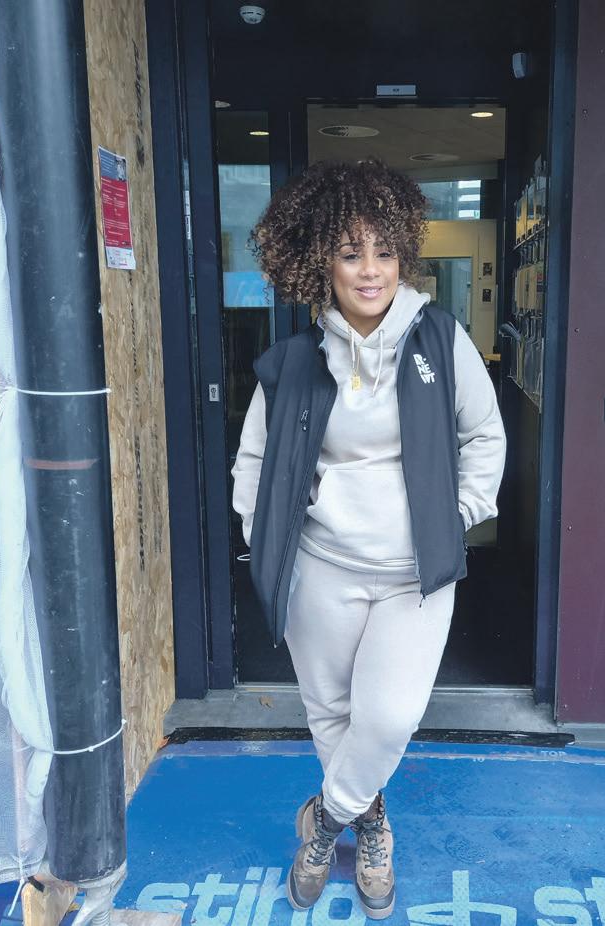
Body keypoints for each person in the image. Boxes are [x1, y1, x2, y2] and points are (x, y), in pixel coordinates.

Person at [231, 158, 506, 918]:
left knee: (387, 717)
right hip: (321, 568)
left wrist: (459, 513)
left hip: (415, 574)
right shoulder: (294, 362)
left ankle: (324, 822)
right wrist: (264, 537)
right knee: (330, 712)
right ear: (322, 261)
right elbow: (253, 459)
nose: (370, 269)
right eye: (351, 253)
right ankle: (372, 824)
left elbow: (484, 436)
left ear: (403, 256)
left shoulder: (440, 340)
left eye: (384, 251)